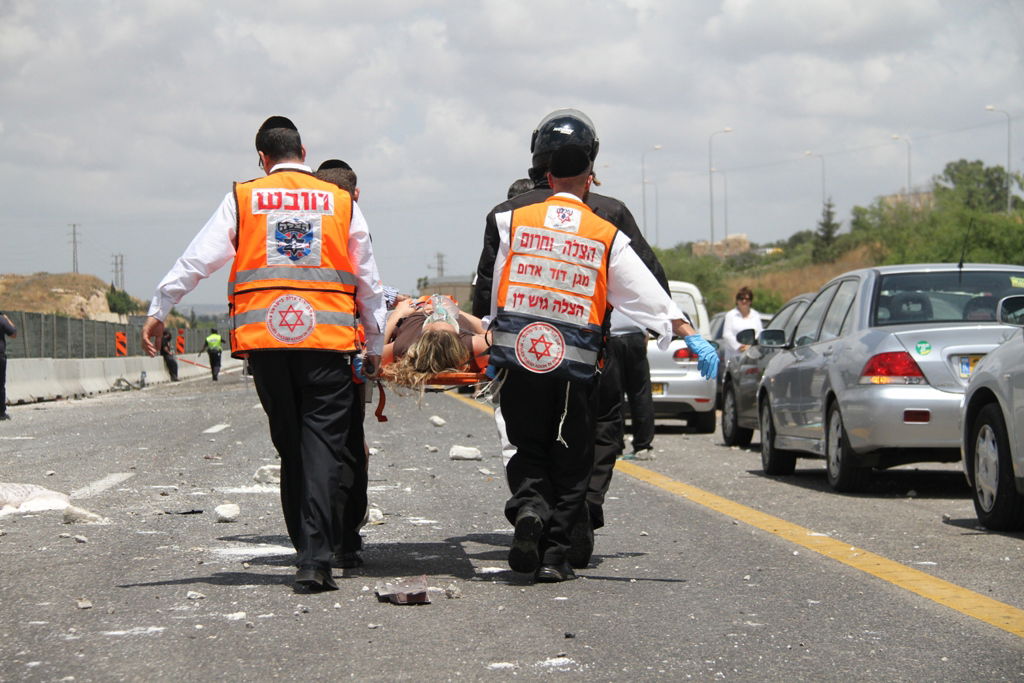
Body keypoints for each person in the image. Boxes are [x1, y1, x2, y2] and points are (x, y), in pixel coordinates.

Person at [142, 115, 386, 593]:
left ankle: (308, 549)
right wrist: (374, 344)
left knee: (291, 445)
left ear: (262, 157)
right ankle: (314, 558)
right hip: (327, 344)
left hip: (268, 346)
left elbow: (200, 257)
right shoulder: (340, 200)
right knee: (322, 448)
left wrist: (161, 304)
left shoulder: (245, 197)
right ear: (304, 150)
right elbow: (367, 280)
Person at [481, 143, 718, 583]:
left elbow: (495, 288)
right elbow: (645, 294)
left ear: (548, 178)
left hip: (522, 354)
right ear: (590, 180)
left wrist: (491, 344)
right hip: (575, 364)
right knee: (572, 456)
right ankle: (553, 556)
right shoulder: (604, 231)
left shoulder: (511, 219)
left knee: (528, 445)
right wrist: (691, 336)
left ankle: (530, 507)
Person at [382, 295, 489, 389]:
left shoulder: (404, 347)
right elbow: (494, 332)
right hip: (436, 308)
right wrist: (456, 311)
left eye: (433, 319)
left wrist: (398, 313)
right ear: (457, 335)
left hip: (413, 310)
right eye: (446, 319)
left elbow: (374, 353)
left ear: (422, 336)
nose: (439, 314)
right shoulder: (472, 346)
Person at [601, 308, 656, 461]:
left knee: (613, 393)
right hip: (636, 337)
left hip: (612, 338)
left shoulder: (606, 283)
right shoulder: (636, 284)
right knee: (641, 393)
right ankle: (643, 446)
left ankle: (615, 446)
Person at [722, 287, 763, 363]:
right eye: (741, 299)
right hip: (733, 356)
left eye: (747, 299)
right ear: (737, 301)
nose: (744, 301)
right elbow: (727, 334)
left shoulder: (756, 315)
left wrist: (750, 346)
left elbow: (759, 333)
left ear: (750, 301)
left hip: (752, 356)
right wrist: (740, 346)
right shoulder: (730, 315)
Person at [0, 312, 17, 421]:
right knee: (0, 385)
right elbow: (13, 333)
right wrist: (7, 318)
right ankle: (1, 412)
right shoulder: (1, 319)